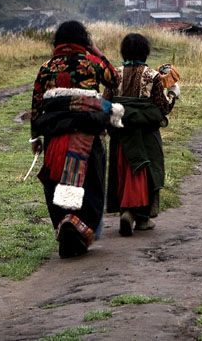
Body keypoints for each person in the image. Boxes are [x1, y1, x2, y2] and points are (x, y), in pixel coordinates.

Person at [30, 21, 118, 258]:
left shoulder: (47, 67)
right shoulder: (90, 62)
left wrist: (34, 138)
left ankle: (65, 224)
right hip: (88, 134)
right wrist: (97, 52)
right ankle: (79, 226)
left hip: (55, 136)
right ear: (84, 40)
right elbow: (114, 79)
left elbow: (37, 104)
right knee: (91, 183)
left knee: (55, 182)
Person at [103, 33, 179, 236]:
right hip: (146, 135)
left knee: (123, 171)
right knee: (146, 171)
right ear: (146, 52)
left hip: (121, 135)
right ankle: (142, 219)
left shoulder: (114, 74)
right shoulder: (152, 76)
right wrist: (172, 92)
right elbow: (162, 108)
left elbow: (105, 103)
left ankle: (125, 210)